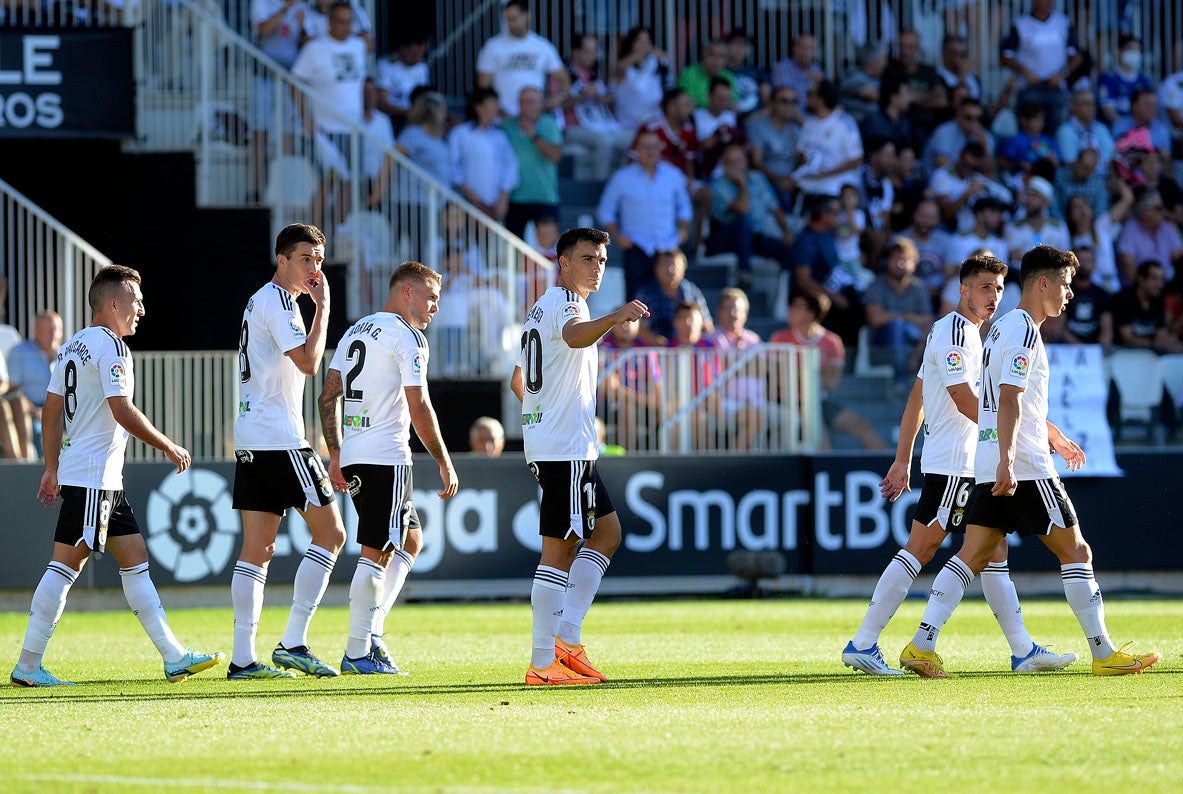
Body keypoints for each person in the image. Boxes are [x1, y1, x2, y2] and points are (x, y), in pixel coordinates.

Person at [900, 245, 1162, 678]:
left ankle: (921, 644)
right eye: (1065, 284)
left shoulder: (1001, 329)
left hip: (987, 461)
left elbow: (1007, 401)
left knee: (973, 555)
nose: (1069, 294)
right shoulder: (1023, 331)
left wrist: (1047, 435)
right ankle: (1103, 653)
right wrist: (1009, 459)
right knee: (1076, 551)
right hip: (1022, 464)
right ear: (1043, 283)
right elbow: (1008, 398)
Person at [844, 253, 1073, 675]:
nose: (994, 297)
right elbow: (966, 400)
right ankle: (864, 641)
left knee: (993, 549)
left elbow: (917, 396)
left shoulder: (965, 334)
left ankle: (1023, 650)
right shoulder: (955, 332)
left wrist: (901, 459)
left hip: (966, 459)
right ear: (962, 289)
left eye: (1000, 289)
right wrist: (1034, 432)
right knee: (924, 546)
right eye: (985, 288)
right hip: (955, 460)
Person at [10, 265, 223, 687]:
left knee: (135, 557)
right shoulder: (111, 347)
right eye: (135, 301)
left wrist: (52, 467)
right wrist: (167, 444)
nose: (142, 308)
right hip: (94, 476)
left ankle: (174, 656)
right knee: (64, 566)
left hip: (97, 476)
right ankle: (28, 665)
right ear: (113, 303)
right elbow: (122, 410)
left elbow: (51, 413)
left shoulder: (71, 346)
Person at [510, 226, 650, 685]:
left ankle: (566, 638)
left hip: (561, 445)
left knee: (606, 533)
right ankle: (542, 661)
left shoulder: (539, 308)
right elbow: (574, 338)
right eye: (587, 258)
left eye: (602, 260)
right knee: (560, 550)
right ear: (563, 261)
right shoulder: (569, 305)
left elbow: (518, 381)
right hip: (564, 448)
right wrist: (614, 317)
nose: (597, 267)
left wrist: (541, 416)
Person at [319, 261, 459, 675]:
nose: (436, 307)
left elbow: (329, 396)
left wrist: (336, 452)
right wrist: (444, 461)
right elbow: (419, 405)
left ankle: (373, 632)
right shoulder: (408, 336)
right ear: (407, 292)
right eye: (431, 297)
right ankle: (359, 649)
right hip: (386, 455)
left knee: (410, 539)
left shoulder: (357, 330)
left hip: (358, 451)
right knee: (378, 550)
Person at [230, 223, 345, 680]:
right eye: (304, 259)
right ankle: (293, 641)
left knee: (257, 548)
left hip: (254, 436)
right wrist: (325, 307)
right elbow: (309, 363)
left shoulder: (261, 301)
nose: (314, 269)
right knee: (331, 534)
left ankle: (243, 659)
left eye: (318, 260)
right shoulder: (280, 303)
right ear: (281, 259)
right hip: (279, 439)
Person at [770, 292, 886, 450]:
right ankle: (825, 471)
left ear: (811, 314)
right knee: (820, 434)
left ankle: (893, 472)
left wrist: (796, 377)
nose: (790, 310)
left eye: (797, 306)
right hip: (786, 402)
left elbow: (831, 383)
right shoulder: (779, 338)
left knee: (862, 426)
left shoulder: (832, 341)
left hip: (819, 401)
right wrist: (814, 377)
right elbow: (778, 380)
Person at [596, 130, 691, 301]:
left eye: (654, 146)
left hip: (668, 248)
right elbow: (605, 210)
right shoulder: (622, 177)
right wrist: (617, 236)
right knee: (635, 304)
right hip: (636, 248)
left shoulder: (673, 175)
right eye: (645, 146)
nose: (650, 151)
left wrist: (683, 229)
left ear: (660, 149)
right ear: (636, 149)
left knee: (671, 302)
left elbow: (684, 207)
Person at [706, 143, 795, 288]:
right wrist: (742, 184)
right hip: (724, 238)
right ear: (724, 165)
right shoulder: (718, 185)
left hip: (753, 238)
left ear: (746, 161)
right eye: (731, 162)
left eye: (739, 160)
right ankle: (744, 273)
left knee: (788, 249)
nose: (736, 166)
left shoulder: (758, 178)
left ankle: (785, 296)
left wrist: (786, 233)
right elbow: (743, 209)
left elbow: (775, 208)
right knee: (743, 221)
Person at [999, 0, 1083, 134]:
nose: (1048, 2)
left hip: (1056, 88)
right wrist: (1024, 71)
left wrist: (1062, 74)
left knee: (1058, 131)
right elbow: (1005, 56)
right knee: (1029, 131)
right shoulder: (1021, 24)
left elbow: (1076, 56)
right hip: (1029, 88)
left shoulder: (1063, 23)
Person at [475, 0, 569, 117]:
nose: (510, 24)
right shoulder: (493, 46)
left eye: (514, 18)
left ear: (527, 16)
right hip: (503, 120)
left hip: (535, 120)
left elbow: (565, 82)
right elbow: (483, 87)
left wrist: (557, 100)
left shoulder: (543, 46)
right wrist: (499, 112)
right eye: (507, 19)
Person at [562, 32, 634, 181]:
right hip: (574, 127)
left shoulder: (595, 74)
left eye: (595, 51)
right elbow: (558, 103)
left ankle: (621, 185)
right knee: (605, 142)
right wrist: (581, 96)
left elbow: (603, 102)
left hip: (599, 124)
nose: (593, 55)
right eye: (588, 51)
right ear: (575, 52)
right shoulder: (563, 74)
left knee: (633, 139)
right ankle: (599, 190)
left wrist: (607, 99)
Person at [863, 238, 934, 388]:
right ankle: (901, 382)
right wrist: (905, 319)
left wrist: (898, 316)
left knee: (918, 332)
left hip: (914, 345)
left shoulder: (918, 287)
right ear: (887, 261)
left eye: (905, 260)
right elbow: (875, 319)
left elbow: (928, 321)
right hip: (881, 345)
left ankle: (909, 377)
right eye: (895, 259)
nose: (900, 264)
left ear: (914, 264)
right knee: (896, 327)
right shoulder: (877, 285)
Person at [450, 87, 519, 224]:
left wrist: (503, 198)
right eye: (492, 103)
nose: (497, 108)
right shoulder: (460, 133)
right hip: (467, 205)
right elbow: (453, 166)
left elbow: (511, 166)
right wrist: (471, 196)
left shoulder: (500, 136)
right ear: (479, 107)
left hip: (496, 208)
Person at [790, 80, 863, 200]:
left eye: (810, 94)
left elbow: (856, 159)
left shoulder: (844, 122)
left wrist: (826, 173)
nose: (807, 97)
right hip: (809, 184)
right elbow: (802, 154)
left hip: (836, 187)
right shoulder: (809, 123)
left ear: (820, 99)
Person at [4, 310, 63, 458]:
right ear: (36, 331)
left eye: (57, 330)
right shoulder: (20, 353)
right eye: (50, 330)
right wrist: (34, 408)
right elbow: (12, 388)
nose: (55, 335)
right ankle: (27, 464)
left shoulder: (67, 354)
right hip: (31, 410)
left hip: (62, 410)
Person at [635, 249, 713, 346]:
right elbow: (639, 327)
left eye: (674, 265)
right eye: (665, 264)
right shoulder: (646, 293)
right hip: (657, 351)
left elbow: (707, 324)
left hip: (691, 349)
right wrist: (659, 343)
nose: (670, 269)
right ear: (656, 268)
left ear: (683, 269)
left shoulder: (692, 292)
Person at [745, 85, 802, 211]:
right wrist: (779, 180)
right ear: (772, 103)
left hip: (791, 181)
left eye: (793, 102)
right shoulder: (757, 125)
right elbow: (756, 163)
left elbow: (800, 159)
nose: (789, 106)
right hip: (765, 181)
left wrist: (793, 179)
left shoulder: (796, 130)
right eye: (784, 101)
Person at [1112, 260, 1183, 353]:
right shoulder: (1124, 299)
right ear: (1141, 278)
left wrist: (1168, 341)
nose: (1159, 285)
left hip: (1151, 352)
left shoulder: (1158, 300)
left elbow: (1161, 332)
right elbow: (1127, 338)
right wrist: (1156, 343)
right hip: (1124, 353)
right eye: (1154, 279)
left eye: (1161, 279)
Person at [612, 25, 673, 131]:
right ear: (631, 43)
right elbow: (618, 67)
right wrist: (645, 52)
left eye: (647, 41)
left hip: (654, 122)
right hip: (628, 126)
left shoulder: (654, 63)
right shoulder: (625, 67)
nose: (644, 45)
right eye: (639, 41)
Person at [1054, 90, 1115, 176]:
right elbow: (1070, 164)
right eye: (1087, 104)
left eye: (1093, 104)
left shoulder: (1101, 128)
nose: (1091, 108)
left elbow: (1111, 157)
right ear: (1073, 107)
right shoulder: (1065, 131)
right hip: (1078, 180)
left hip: (1106, 177)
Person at [375, 34, 430, 129]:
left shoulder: (422, 67)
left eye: (421, 55)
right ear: (403, 49)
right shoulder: (386, 66)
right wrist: (408, 112)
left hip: (416, 117)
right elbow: (381, 103)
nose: (417, 58)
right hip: (394, 118)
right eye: (414, 54)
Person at [1098, 34, 1153, 128]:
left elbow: (1150, 109)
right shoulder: (1108, 79)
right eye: (1131, 49)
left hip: (1142, 128)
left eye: (1138, 49)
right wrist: (1129, 128)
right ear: (1119, 51)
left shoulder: (1144, 80)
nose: (1135, 53)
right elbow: (1109, 112)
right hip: (1117, 129)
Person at [676, 39, 735, 109]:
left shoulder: (728, 76)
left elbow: (733, 102)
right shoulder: (689, 74)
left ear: (726, 60)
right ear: (703, 55)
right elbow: (686, 104)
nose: (716, 60)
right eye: (712, 54)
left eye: (721, 56)